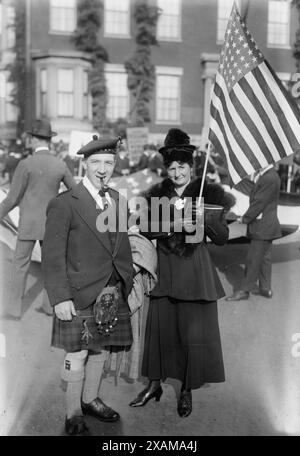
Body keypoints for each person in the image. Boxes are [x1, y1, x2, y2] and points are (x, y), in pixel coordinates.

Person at [129, 128, 235, 417]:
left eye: (182, 167)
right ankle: (154, 384)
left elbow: (223, 237)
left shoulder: (208, 193)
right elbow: (146, 227)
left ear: (192, 166)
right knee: (159, 330)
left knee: (191, 334)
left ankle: (186, 390)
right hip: (165, 271)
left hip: (194, 273)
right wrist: (175, 224)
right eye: (172, 167)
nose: (176, 173)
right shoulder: (157, 194)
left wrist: (205, 218)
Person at [42, 135, 135, 436]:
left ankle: (91, 399)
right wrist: (59, 297)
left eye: (108, 162)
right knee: (78, 354)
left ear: (115, 165)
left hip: (111, 292)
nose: (102, 168)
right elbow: (53, 256)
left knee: (101, 351)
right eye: (96, 162)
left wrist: (128, 281)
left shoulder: (119, 201)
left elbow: (120, 246)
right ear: (84, 165)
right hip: (79, 292)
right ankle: (72, 414)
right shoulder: (64, 203)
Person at [0, 119, 75, 320]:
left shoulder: (25, 164)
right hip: (51, 224)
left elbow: (12, 198)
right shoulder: (60, 164)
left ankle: (14, 310)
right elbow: (75, 193)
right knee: (51, 265)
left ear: (33, 140)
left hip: (28, 224)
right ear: (49, 141)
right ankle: (49, 306)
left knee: (20, 265)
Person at [226, 164, 282, 301]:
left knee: (253, 259)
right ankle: (265, 288)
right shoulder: (269, 175)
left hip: (262, 226)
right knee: (265, 258)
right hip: (268, 224)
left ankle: (244, 290)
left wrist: (244, 219)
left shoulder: (269, 177)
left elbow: (259, 203)